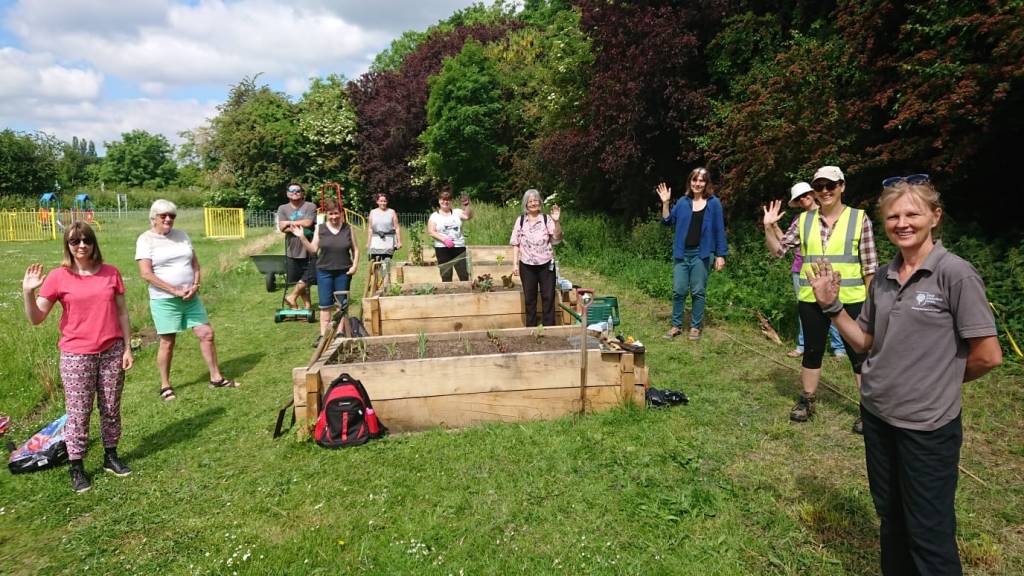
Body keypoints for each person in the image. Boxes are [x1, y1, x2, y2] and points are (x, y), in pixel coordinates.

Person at [806, 175, 1001, 575]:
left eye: (913, 213)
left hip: (927, 426)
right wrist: (832, 307)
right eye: (893, 215)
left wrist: (940, 380)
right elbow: (864, 342)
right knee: (891, 521)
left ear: (935, 216)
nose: (902, 222)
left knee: (929, 534)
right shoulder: (883, 277)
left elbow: (988, 355)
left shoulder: (954, 274)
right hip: (878, 416)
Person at [22, 222, 133, 493]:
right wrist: (28, 292)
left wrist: (128, 347)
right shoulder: (59, 277)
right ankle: (77, 466)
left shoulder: (111, 273)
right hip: (76, 355)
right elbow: (36, 318)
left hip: (111, 350)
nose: (81, 245)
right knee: (78, 413)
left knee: (110, 408)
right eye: (75, 241)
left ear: (94, 243)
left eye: (86, 240)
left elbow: (122, 313)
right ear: (68, 246)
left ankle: (111, 456)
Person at [764, 166, 876, 427]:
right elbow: (778, 251)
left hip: (850, 298)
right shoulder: (804, 221)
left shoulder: (859, 219)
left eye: (830, 185)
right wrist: (769, 228)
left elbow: (870, 267)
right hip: (811, 298)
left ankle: (869, 408)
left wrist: (873, 304)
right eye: (820, 186)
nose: (825, 191)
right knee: (812, 350)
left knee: (859, 354)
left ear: (842, 187)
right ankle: (807, 400)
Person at [136, 199, 237, 401]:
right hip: (165, 299)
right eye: (163, 215)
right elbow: (146, 274)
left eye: (172, 216)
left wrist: (196, 285)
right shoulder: (146, 239)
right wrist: (174, 290)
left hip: (190, 296)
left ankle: (216, 378)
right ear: (153, 218)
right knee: (168, 341)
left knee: (206, 333)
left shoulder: (182, 236)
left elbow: (195, 264)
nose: (168, 219)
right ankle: (165, 385)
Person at [773, 182, 847, 359]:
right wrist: (773, 225)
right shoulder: (800, 219)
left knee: (831, 307)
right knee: (805, 310)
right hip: (800, 270)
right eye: (798, 199)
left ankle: (839, 348)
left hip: (826, 270)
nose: (803, 200)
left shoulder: (829, 216)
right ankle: (803, 345)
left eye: (805, 195)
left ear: (812, 194)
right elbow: (784, 244)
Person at [656, 167, 728, 341]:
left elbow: (719, 230)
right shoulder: (682, 202)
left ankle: (695, 327)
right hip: (682, 254)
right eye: (695, 180)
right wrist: (665, 203)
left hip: (702, 254)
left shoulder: (714, 203)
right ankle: (676, 326)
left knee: (698, 291)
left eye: (701, 180)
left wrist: (720, 255)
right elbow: (667, 221)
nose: (697, 183)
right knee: (678, 291)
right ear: (690, 182)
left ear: (706, 183)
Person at [291, 198, 359, 347]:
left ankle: (340, 332)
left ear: (341, 213)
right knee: (324, 305)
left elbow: (355, 249)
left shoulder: (348, 228)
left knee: (341, 304)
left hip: (343, 271)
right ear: (326, 214)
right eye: (330, 214)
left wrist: (354, 266)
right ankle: (323, 335)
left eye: (336, 213)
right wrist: (302, 237)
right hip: (324, 271)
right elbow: (314, 249)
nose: (334, 217)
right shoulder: (320, 228)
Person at [510, 189, 563, 326]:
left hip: (546, 265)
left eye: (536, 200)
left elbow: (557, 238)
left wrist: (556, 222)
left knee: (548, 297)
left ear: (540, 202)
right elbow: (516, 243)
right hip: (527, 265)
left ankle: (550, 328)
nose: (534, 203)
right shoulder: (521, 220)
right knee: (530, 298)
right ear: (526, 204)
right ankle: (531, 329)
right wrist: (515, 264)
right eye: (530, 201)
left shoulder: (547, 219)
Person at [276, 183, 318, 309]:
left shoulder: (310, 206)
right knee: (299, 279)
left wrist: (289, 223)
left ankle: (292, 297)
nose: (295, 192)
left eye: (298, 190)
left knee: (311, 275)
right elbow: (282, 228)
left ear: (302, 193)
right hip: (292, 249)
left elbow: (308, 222)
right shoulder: (283, 208)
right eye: (292, 190)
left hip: (309, 247)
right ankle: (306, 306)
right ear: (287, 193)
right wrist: (297, 225)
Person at [428, 187, 473, 282]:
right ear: (439, 201)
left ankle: (464, 294)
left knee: (464, 274)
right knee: (446, 275)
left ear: (451, 201)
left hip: (459, 247)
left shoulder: (456, 212)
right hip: (442, 248)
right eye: (443, 199)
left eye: (448, 200)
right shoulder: (434, 216)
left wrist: (466, 205)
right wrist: (444, 240)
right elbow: (431, 231)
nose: (445, 202)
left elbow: (468, 216)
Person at [367, 192, 401, 262]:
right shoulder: (373, 212)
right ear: (377, 202)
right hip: (376, 240)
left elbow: (397, 228)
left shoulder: (392, 212)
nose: (383, 203)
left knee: (386, 261)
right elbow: (370, 228)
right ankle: (375, 272)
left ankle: (385, 272)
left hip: (388, 240)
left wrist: (399, 242)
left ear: (387, 202)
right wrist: (368, 242)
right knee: (374, 261)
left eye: (384, 201)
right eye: (381, 201)